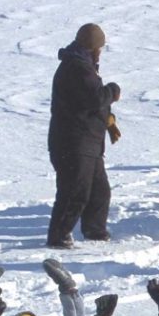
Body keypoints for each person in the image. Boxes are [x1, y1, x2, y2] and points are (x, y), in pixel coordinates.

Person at [47, 23, 121, 248]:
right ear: (94, 48)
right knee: (74, 192)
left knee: (100, 192)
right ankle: (58, 236)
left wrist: (108, 122)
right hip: (74, 143)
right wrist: (113, 91)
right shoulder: (77, 67)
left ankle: (95, 232)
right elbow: (95, 98)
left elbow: (90, 103)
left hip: (88, 143)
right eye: (100, 47)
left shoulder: (81, 64)